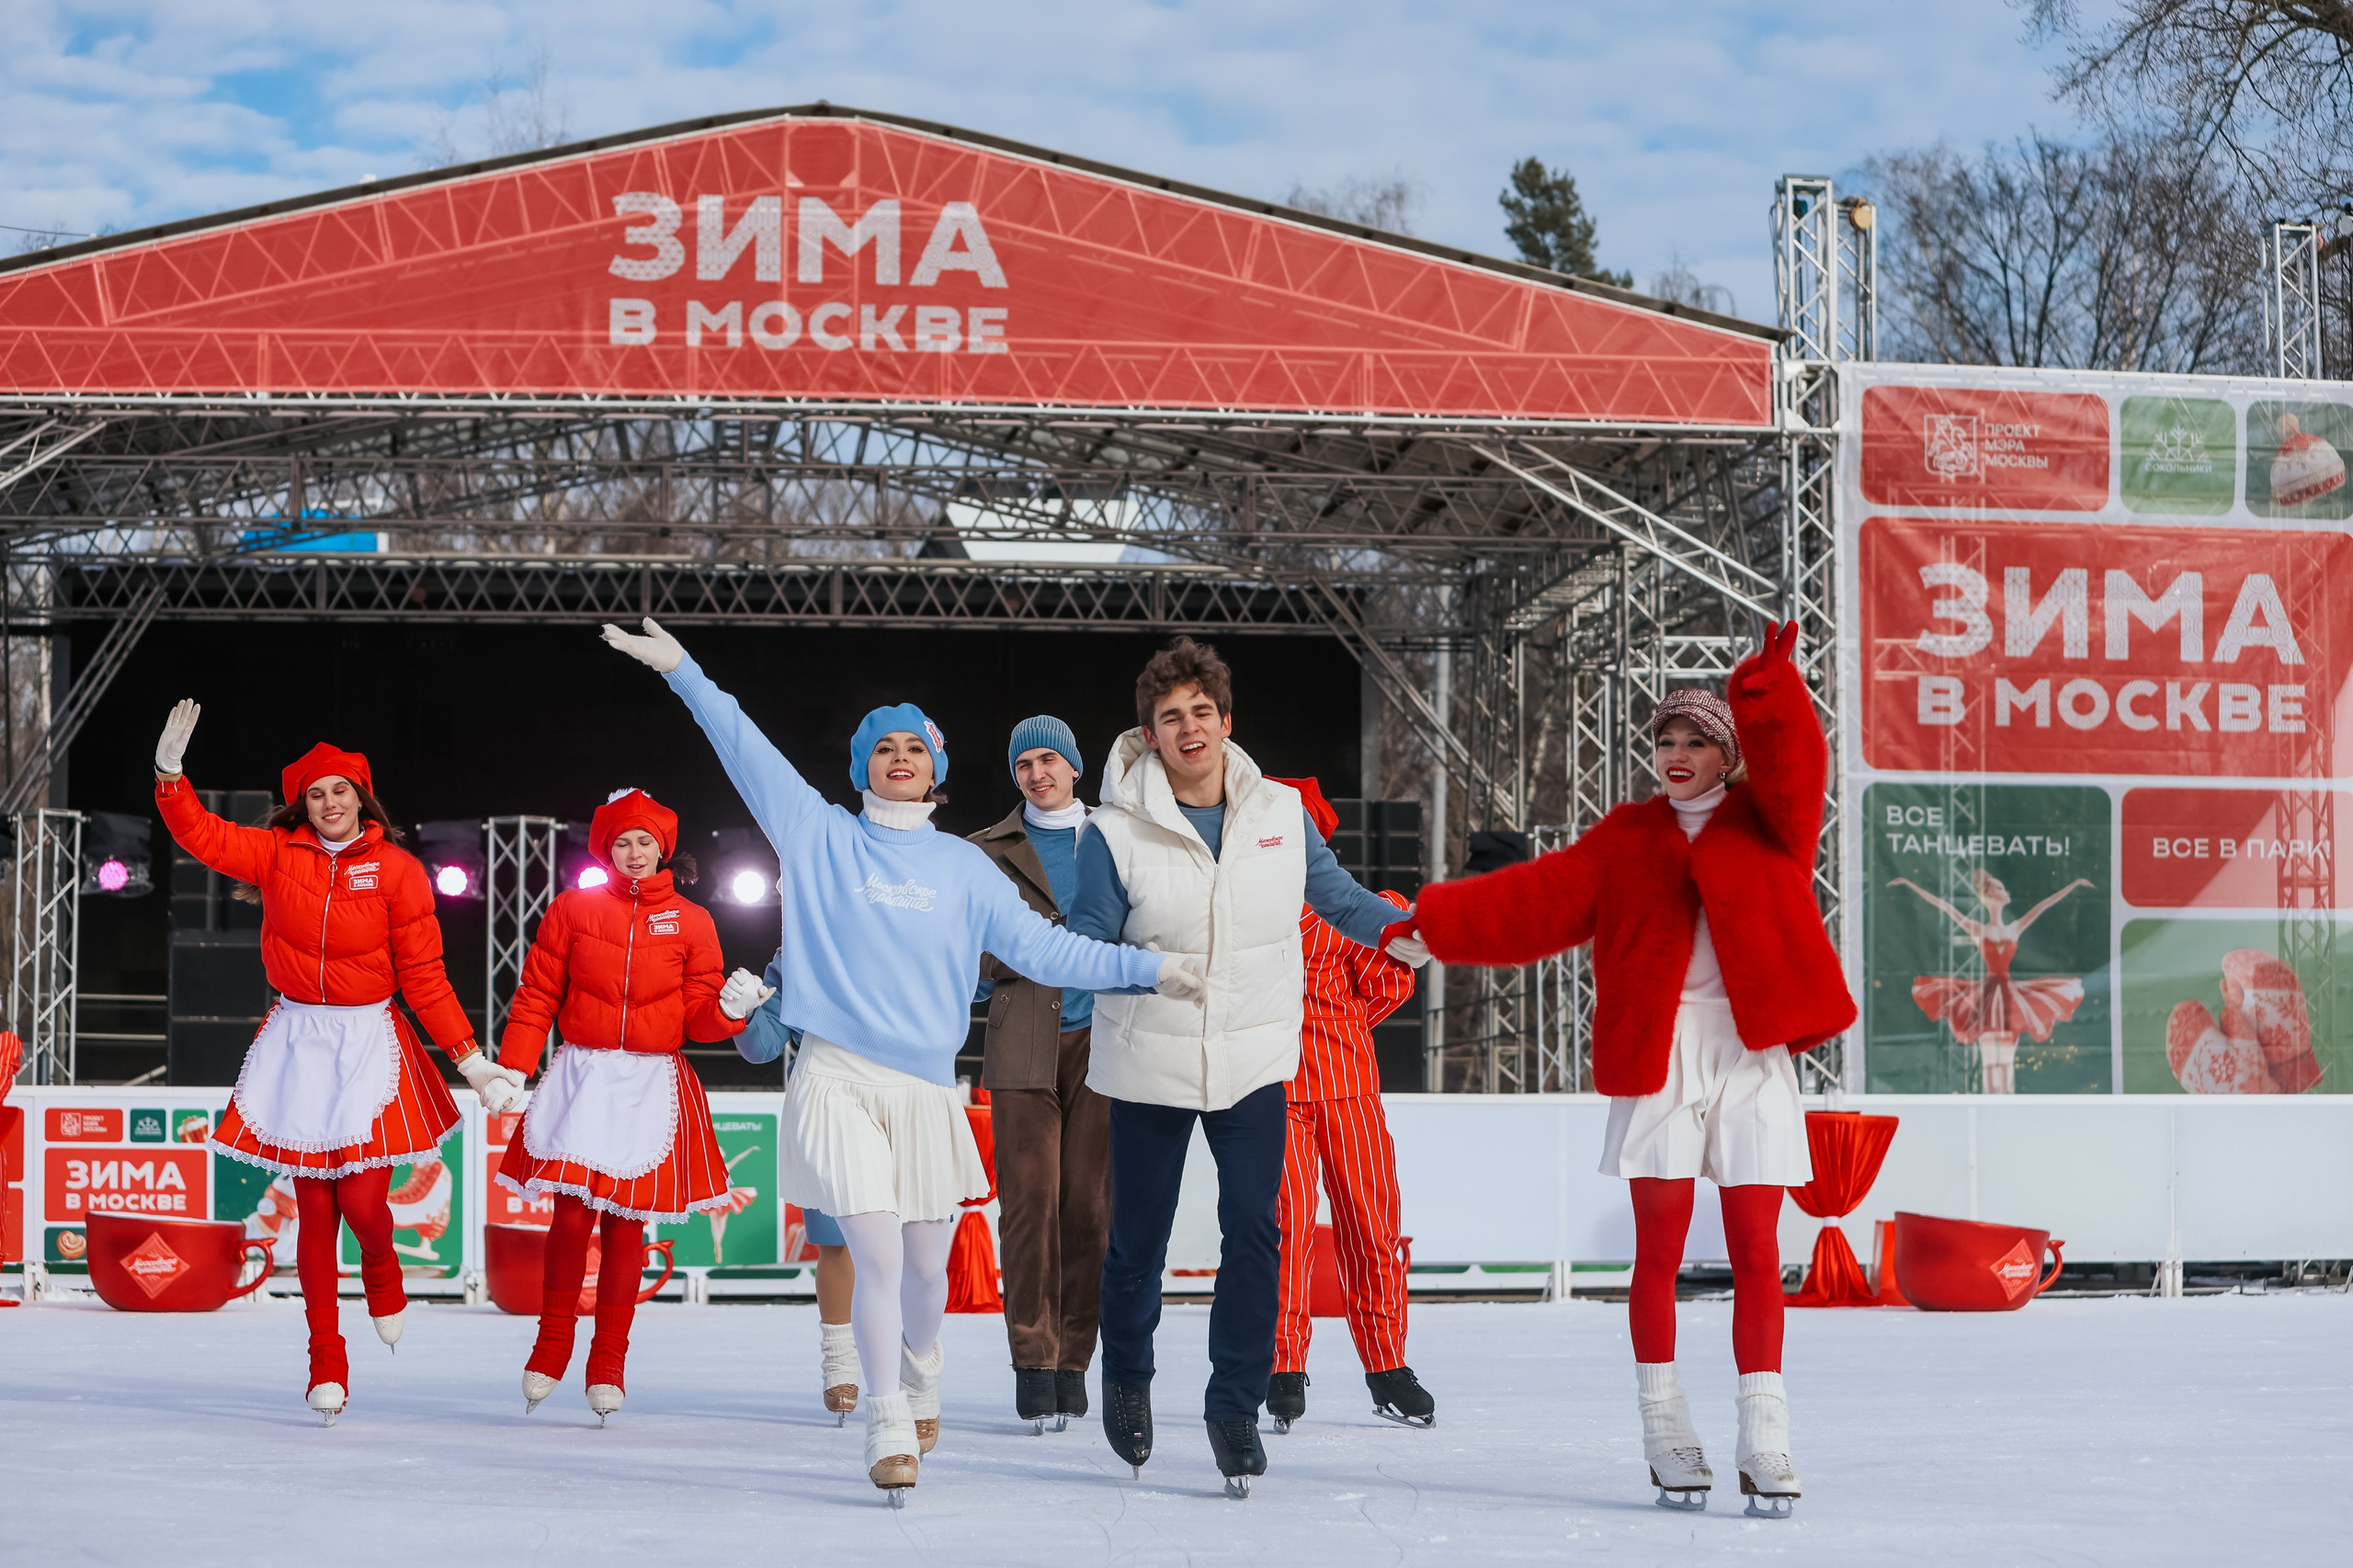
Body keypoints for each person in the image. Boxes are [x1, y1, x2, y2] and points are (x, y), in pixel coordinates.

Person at [600, 617, 1198, 1504]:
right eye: (884, 747)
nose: (901, 756)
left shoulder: (965, 869)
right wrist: (684, 669)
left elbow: (1054, 952)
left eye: (916, 746)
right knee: (876, 1253)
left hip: (924, 1087)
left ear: (939, 768)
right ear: (861, 768)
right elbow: (741, 742)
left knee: (926, 1267)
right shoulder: (815, 833)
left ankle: (923, 1363)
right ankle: (887, 1417)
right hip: (835, 1075)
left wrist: (1152, 969)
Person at [1389, 622, 1851, 1518]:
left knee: (1758, 1250)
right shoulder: (1628, 837)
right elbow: (1533, 899)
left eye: (1696, 740)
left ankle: (1765, 1431)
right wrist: (1433, 921)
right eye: (1663, 740)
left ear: (1727, 753)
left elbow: (1796, 758)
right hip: (1661, 1053)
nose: (1675, 754)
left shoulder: (1773, 823)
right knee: (1660, 1252)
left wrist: (1763, 687)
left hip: (1752, 1053)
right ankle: (1664, 1423)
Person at [1069, 637, 1430, 1498]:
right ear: (1148, 735)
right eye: (1170, 717)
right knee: (1137, 1245)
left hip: (1257, 1056)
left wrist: (1397, 929)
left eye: (1202, 712)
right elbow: (1085, 945)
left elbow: (1336, 896)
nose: (1188, 727)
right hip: (1152, 1060)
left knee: (1259, 1235)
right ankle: (1128, 1377)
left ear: (1226, 724)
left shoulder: (1276, 813)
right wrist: (1146, 971)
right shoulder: (1114, 833)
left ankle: (1233, 1407)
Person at [149, 702, 518, 1425]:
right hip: (300, 1042)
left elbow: (426, 976)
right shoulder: (273, 853)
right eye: (316, 793)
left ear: (361, 796)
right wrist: (169, 774)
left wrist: (472, 1062)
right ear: (302, 803)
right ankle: (327, 1359)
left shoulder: (397, 871)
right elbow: (198, 832)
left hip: (368, 1043)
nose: (328, 803)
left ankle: (382, 1267)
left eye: (340, 791)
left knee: (360, 1203)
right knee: (313, 1211)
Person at [492, 788, 757, 1423]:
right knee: (572, 1220)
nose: (634, 853)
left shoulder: (693, 921)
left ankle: (608, 1357)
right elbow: (536, 995)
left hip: (649, 1084)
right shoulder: (573, 909)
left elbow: (697, 1015)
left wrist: (728, 1011)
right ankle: (552, 1342)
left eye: (645, 842)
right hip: (584, 1079)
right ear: (606, 850)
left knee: (626, 1230)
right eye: (622, 843)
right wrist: (512, 1068)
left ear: (663, 849)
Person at [1260, 777, 1429, 1433]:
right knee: (1283, 1231)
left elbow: (1389, 983)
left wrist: (1339, 1025)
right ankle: (1283, 1366)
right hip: (1273, 1092)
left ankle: (1387, 1364)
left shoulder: (1352, 908)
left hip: (1346, 1086)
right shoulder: (1241, 905)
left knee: (1372, 1226)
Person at [967, 716, 1108, 1432]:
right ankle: (1033, 1358)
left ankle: (1075, 1358)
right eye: (1023, 764)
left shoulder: (1121, 838)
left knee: (1089, 1208)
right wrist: (1021, 953)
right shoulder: (982, 852)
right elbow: (963, 952)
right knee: (1028, 1206)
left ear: (1075, 766)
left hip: (1109, 1044)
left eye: (1049, 758)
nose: (1036, 773)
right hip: (1022, 1038)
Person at [736, 945, 861, 1424]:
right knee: (836, 1242)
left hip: (903, 1092)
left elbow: (967, 991)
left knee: (911, 1239)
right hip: (825, 1098)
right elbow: (764, 1045)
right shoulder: (803, 947)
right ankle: (841, 1363)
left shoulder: (913, 913)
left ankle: (914, 1373)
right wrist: (744, 1013)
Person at [1890, 869, 2090, 1093]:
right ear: (1989, 895)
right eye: (2000, 888)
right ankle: (1989, 1105)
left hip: (2007, 997)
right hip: (1988, 996)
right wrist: (1910, 884)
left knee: (2006, 1059)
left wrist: (2074, 884)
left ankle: (2006, 1106)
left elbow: (2043, 905)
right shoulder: (1978, 929)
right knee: (1988, 1059)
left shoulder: (2014, 927)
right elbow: (1944, 906)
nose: (2006, 891)